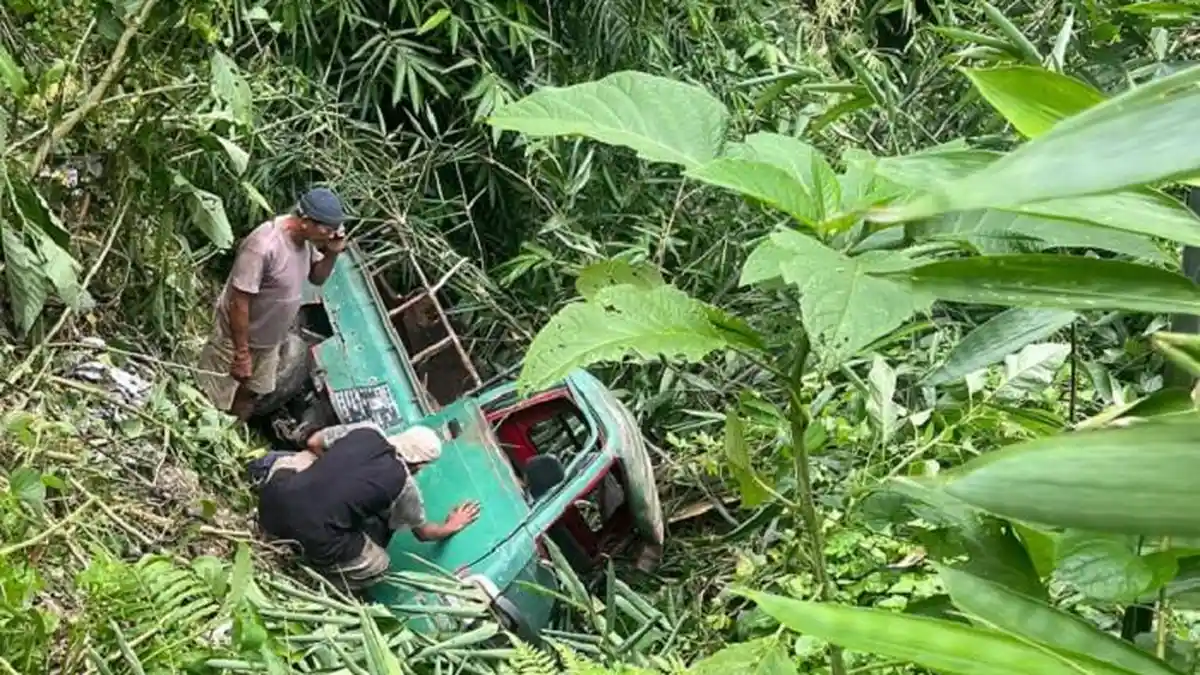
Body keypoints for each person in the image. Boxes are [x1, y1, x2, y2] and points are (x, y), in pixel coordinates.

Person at [253, 421, 481, 592]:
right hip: (311, 536)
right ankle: (311, 578)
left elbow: (313, 443)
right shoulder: (404, 486)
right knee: (379, 565)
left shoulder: (367, 430)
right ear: (420, 465)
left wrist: (335, 470)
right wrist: (451, 526)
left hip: (271, 503)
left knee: (303, 459)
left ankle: (257, 480)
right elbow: (423, 533)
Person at [197, 187, 348, 421]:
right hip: (235, 338)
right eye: (327, 229)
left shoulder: (305, 243)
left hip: (269, 344)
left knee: (250, 394)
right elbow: (239, 301)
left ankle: (232, 439)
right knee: (212, 397)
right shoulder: (264, 245)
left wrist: (332, 253)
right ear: (306, 221)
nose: (331, 235)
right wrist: (241, 353)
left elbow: (316, 278)